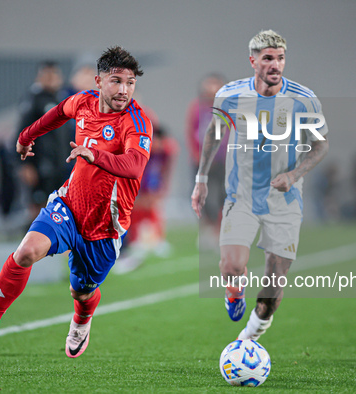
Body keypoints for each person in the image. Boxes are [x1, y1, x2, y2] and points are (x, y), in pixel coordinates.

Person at [0, 46, 153, 358]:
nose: (124, 90)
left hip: (105, 226)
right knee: (26, 252)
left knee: (82, 291)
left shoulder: (136, 121)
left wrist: (94, 154)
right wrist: (25, 137)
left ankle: (82, 319)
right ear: (99, 81)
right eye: (116, 81)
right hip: (69, 206)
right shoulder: (84, 101)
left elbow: (135, 166)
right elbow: (57, 113)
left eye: (130, 83)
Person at [191, 30, 329, 341]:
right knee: (231, 265)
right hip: (242, 196)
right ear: (253, 61)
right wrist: (201, 180)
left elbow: (321, 146)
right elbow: (214, 133)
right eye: (268, 58)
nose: (275, 64)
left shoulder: (304, 99)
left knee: (274, 284)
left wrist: (293, 176)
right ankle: (234, 291)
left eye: (280, 58)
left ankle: (248, 338)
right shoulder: (231, 94)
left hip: (285, 201)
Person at [114, 124, 178, 274]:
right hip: (124, 181)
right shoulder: (139, 149)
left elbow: (162, 170)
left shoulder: (165, 151)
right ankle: (124, 249)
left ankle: (152, 239)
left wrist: (160, 189)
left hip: (144, 180)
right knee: (127, 211)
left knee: (149, 205)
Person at [16, 61, 69, 220]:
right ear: (39, 77)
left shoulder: (61, 99)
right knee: (39, 208)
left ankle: (53, 243)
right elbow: (22, 132)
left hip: (58, 165)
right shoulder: (33, 100)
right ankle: (33, 242)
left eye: (55, 75)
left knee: (58, 207)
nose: (52, 79)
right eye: (48, 75)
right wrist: (25, 165)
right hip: (40, 165)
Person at [185, 74, 226, 249]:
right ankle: (208, 228)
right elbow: (191, 131)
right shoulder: (196, 107)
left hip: (223, 160)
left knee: (224, 196)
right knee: (201, 197)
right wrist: (195, 154)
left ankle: (220, 231)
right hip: (201, 161)